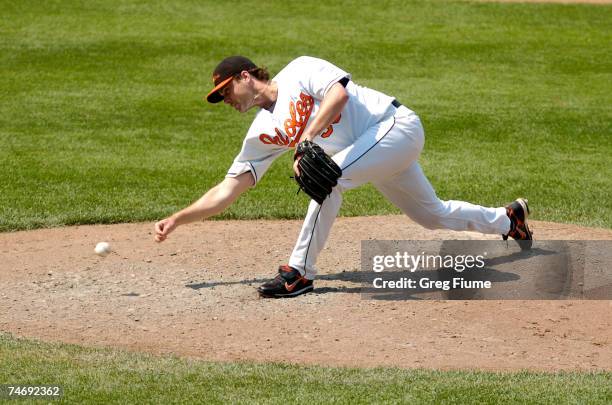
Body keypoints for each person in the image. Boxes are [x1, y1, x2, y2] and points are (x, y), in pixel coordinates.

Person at [154, 55, 532, 298]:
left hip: (395, 126)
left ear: (246, 76)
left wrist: (304, 141)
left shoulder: (299, 70)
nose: (227, 100)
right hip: (374, 153)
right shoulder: (260, 133)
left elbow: (338, 95)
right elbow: (229, 188)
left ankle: (299, 272)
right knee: (430, 215)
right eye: (220, 98)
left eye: (226, 90)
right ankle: (508, 218)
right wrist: (178, 218)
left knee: (326, 178)